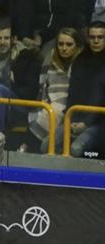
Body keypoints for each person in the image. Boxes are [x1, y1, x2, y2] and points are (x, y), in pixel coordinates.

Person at [27, 27, 83, 153]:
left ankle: (29, 147)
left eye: (69, 44)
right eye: (60, 44)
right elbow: (42, 87)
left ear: (76, 46)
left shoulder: (82, 62)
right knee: (46, 111)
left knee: (54, 111)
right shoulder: (50, 58)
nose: (64, 48)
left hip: (73, 109)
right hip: (49, 103)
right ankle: (29, 148)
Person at [66, 21, 105, 157]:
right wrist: (71, 120)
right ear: (87, 38)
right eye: (92, 37)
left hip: (100, 124)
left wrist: (86, 123)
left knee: (76, 148)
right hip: (75, 119)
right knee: (46, 145)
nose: (96, 41)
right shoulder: (80, 60)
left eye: (100, 37)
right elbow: (72, 93)